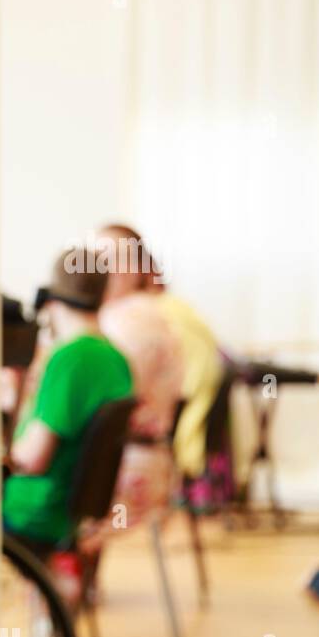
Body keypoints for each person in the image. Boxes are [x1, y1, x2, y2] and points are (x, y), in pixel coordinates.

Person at [2, 248, 134, 553]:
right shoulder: (116, 359)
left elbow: (32, 460)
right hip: (71, 512)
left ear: (50, 299)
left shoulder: (68, 359)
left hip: (34, 512)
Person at [96, 227, 185, 531]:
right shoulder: (149, 310)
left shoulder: (129, 319)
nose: (98, 269)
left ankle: (54, 573)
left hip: (125, 466)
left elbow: (104, 396)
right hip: (149, 456)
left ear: (135, 268)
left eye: (108, 259)